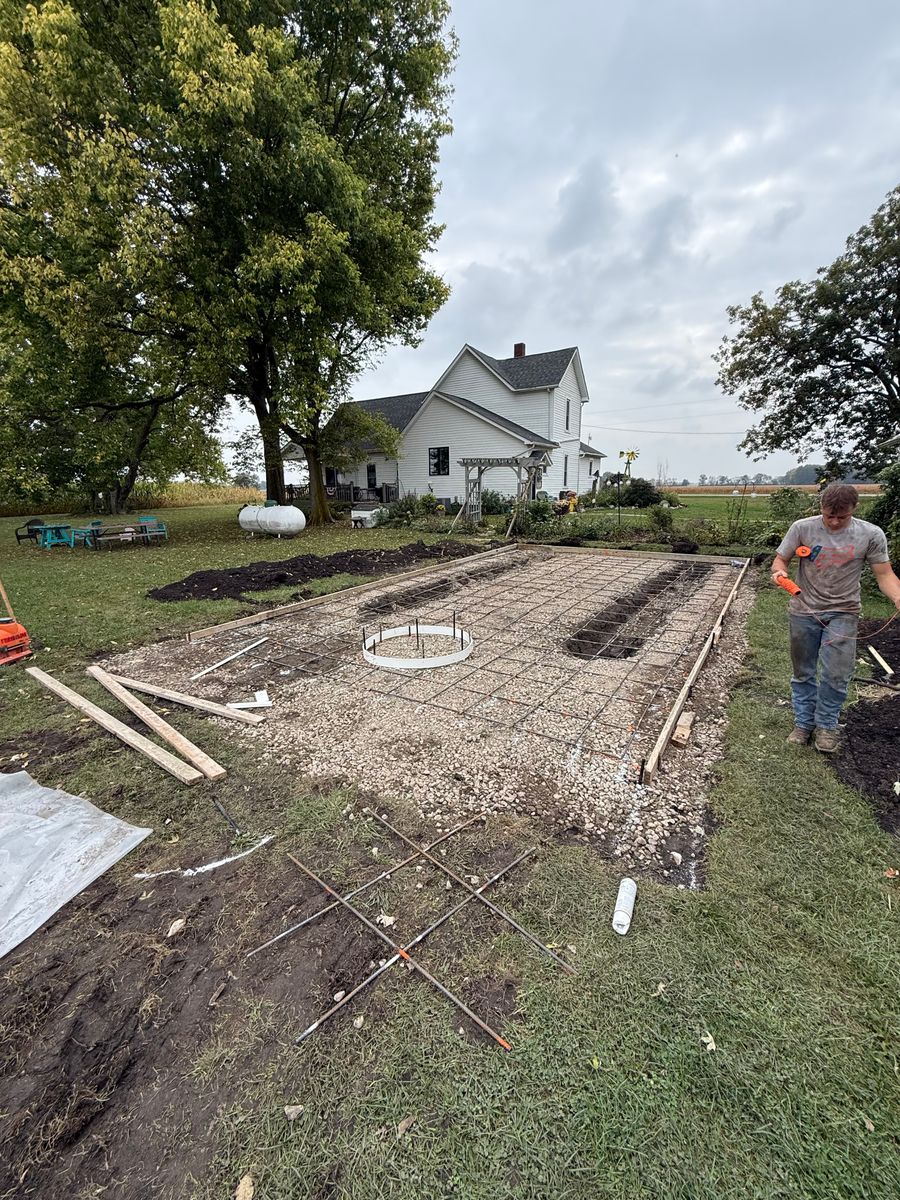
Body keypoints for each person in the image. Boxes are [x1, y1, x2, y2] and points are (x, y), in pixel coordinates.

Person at [771, 482, 900, 753]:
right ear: (821, 508)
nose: (834, 521)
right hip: (804, 610)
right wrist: (780, 574)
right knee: (803, 671)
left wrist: (897, 596)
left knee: (836, 673)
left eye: (842, 516)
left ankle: (827, 725)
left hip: (844, 611)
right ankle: (803, 724)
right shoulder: (802, 528)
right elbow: (780, 560)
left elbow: (885, 574)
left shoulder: (870, 534)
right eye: (829, 515)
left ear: (854, 509)